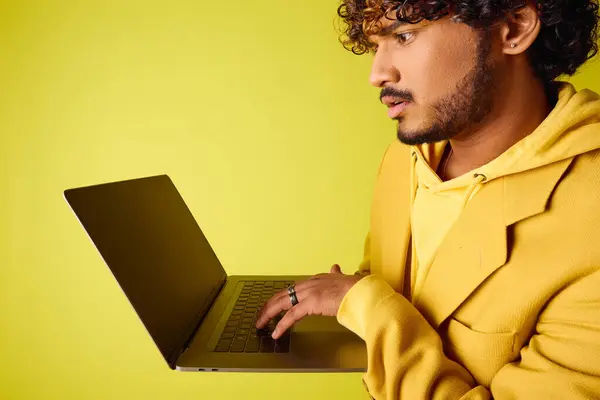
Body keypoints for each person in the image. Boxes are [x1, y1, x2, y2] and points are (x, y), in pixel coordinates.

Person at [256, 0, 600, 398]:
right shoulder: (405, 159)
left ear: (515, 27)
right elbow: (385, 288)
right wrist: (343, 301)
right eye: (375, 45)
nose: (378, 73)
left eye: (403, 36)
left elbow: (377, 304)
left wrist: (369, 306)